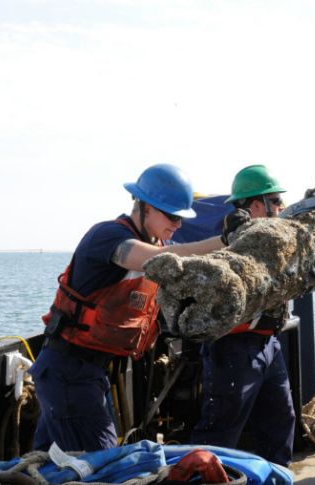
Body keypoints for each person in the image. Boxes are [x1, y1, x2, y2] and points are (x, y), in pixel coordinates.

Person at [30, 163, 225, 452]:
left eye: (182, 218)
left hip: (88, 375)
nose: (178, 224)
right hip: (68, 373)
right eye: (172, 215)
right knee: (104, 466)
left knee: (47, 463)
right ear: (145, 207)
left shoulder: (159, 242)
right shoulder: (108, 237)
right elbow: (160, 258)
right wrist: (223, 240)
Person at [189, 164, 296, 468]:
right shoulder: (237, 229)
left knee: (280, 421)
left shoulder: (274, 235)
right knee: (219, 434)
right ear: (255, 204)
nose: (280, 208)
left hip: (268, 345)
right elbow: (237, 234)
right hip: (234, 349)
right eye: (275, 201)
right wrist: (240, 225)